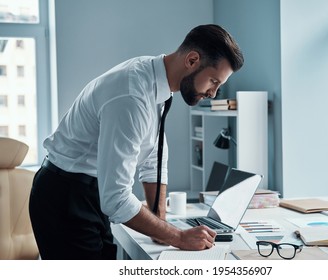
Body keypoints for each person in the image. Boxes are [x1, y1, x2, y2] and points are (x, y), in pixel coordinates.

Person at [29, 24, 244, 260]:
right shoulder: (132, 94)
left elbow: (153, 158)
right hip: (66, 195)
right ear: (192, 60)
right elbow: (116, 199)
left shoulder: (156, 81)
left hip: (88, 191)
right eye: (214, 81)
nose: (213, 93)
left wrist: (160, 223)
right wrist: (178, 237)